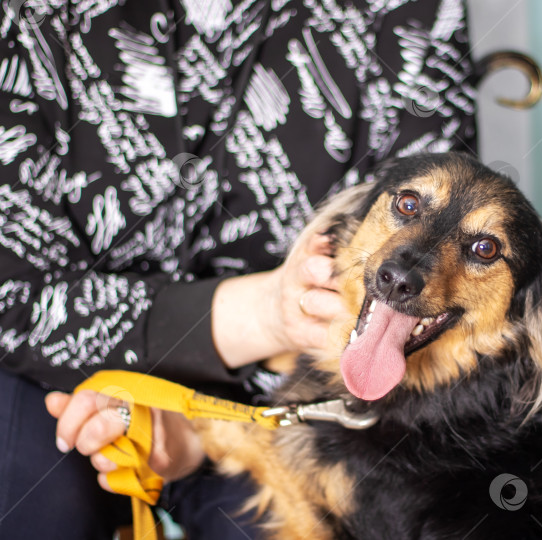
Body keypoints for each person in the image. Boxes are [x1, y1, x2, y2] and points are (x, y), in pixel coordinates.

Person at [0, 1, 478, 538]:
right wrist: (265, 313)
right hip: (42, 376)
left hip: (295, 400)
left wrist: (202, 434)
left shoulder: (404, 12)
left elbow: (439, 281)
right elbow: (11, 298)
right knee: (32, 507)